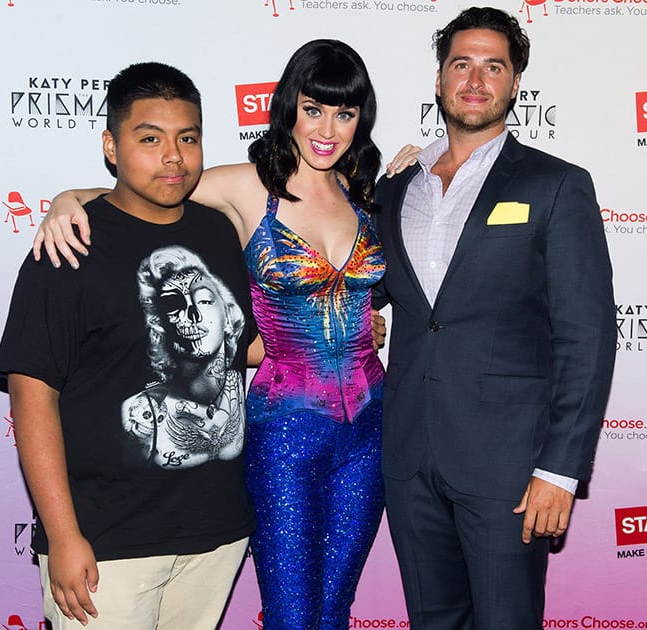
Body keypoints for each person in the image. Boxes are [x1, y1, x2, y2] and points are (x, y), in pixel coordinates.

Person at [32, 40, 387, 629]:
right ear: (287, 110)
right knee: (293, 613)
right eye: (313, 109)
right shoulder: (251, 186)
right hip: (285, 435)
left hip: (372, 430)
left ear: (360, 119)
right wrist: (67, 199)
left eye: (344, 113)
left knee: (336, 608)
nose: (328, 128)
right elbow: (144, 191)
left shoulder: (364, 193)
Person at [373, 7, 616, 629]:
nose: (475, 80)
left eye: (493, 66)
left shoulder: (556, 185)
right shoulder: (396, 187)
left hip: (509, 467)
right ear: (438, 80)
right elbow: (356, 286)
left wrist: (559, 470)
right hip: (409, 457)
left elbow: (586, 339)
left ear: (514, 85)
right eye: (461, 64)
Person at [0, 62, 254, 629]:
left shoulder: (217, 231)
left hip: (215, 533)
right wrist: (63, 536)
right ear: (111, 146)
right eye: (150, 138)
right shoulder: (69, 245)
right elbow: (31, 394)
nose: (173, 157)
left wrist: (346, 328)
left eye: (188, 138)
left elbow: (244, 345)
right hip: (105, 542)